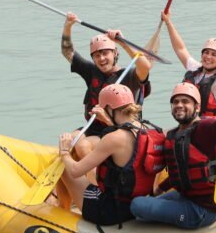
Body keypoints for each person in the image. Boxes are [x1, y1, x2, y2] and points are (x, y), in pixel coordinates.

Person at [130, 81, 216, 230]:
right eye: (175, 102)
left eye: (185, 101)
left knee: (137, 205)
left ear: (197, 107)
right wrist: (160, 189)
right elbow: (180, 172)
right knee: (141, 206)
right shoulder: (175, 134)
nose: (179, 105)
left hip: (202, 211)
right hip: (185, 197)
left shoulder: (205, 129)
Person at [55, 84, 164, 227]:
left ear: (109, 109)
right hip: (134, 206)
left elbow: (75, 171)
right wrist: (108, 121)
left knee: (63, 165)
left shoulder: (113, 139)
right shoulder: (149, 131)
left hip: (108, 211)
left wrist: (64, 151)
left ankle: (61, 212)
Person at [61, 12, 152, 158]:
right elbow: (67, 52)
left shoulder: (128, 75)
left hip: (121, 130)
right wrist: (68, 26)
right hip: (95, 127)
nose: (101, 58)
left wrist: (123, 43)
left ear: (115, 53)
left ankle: (95, 180)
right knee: (69, 140)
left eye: (105, 53)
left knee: (83, 144)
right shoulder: (92, 71)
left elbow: (145, 67)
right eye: (97, 55)